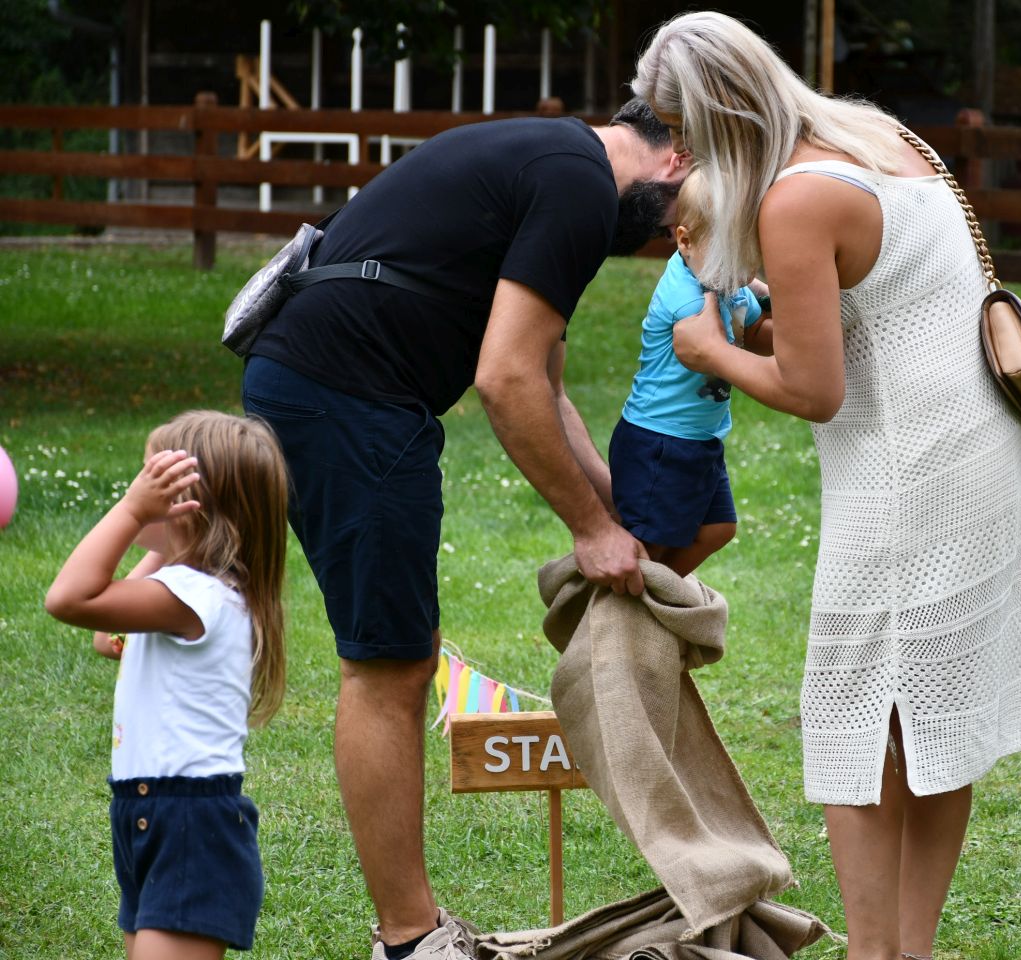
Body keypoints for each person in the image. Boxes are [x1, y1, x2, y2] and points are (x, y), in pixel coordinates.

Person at [633, 13, 1021, 960]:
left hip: (908, 478)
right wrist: (754, 338)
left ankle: (874, 954)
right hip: (983, 452)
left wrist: (708, 347)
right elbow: (873, 316)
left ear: (715, 114)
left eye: (680, 130)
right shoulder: (878, 133)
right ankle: (908, 951)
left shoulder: (795, 199)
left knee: (862, 720)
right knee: (934, 712)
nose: (675, 155)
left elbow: (815, 389)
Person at [238, 99, 688, 959]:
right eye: (686, 218)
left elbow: (548, 386)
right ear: (680, 157)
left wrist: (617, 508)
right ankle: (410, 941)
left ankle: (410, 933)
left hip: (342, 388)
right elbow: (505, 379)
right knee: (388, 664)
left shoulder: (558, 164)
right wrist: (591, 530)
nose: (674, 240)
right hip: (346, 393)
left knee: (400, 651)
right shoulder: (581, 183)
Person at [44, 410, 289, 960]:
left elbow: (69, 599)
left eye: (152, 481)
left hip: (187, 823)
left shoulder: (195, 596)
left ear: (191, 507)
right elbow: (107, 636)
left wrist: (133, 513)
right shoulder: (189, 587)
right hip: (150, 812)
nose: (139, 490)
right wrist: (169, 538)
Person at [611, 169, 771, 577]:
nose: (743, 274)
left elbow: (754, 331)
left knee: (718, 528)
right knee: (647, 548)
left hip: (699, 440)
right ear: (684, 240)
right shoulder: (687, 299)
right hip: (660, 441)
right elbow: (710, 349)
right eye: (734, 258)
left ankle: (659, 596)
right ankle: (630, 612)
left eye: (751, 258)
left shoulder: (723, 280)